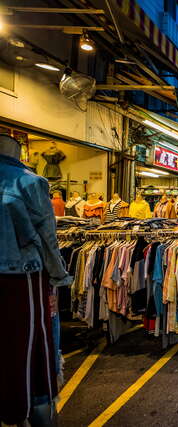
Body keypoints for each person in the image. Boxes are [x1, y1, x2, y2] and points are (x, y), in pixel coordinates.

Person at [0, 134, 72, 425]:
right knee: (31, 344)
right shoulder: (30, 181)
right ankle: (34, 406)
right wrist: (58, 274)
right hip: (23, 276)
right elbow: (47, 237)